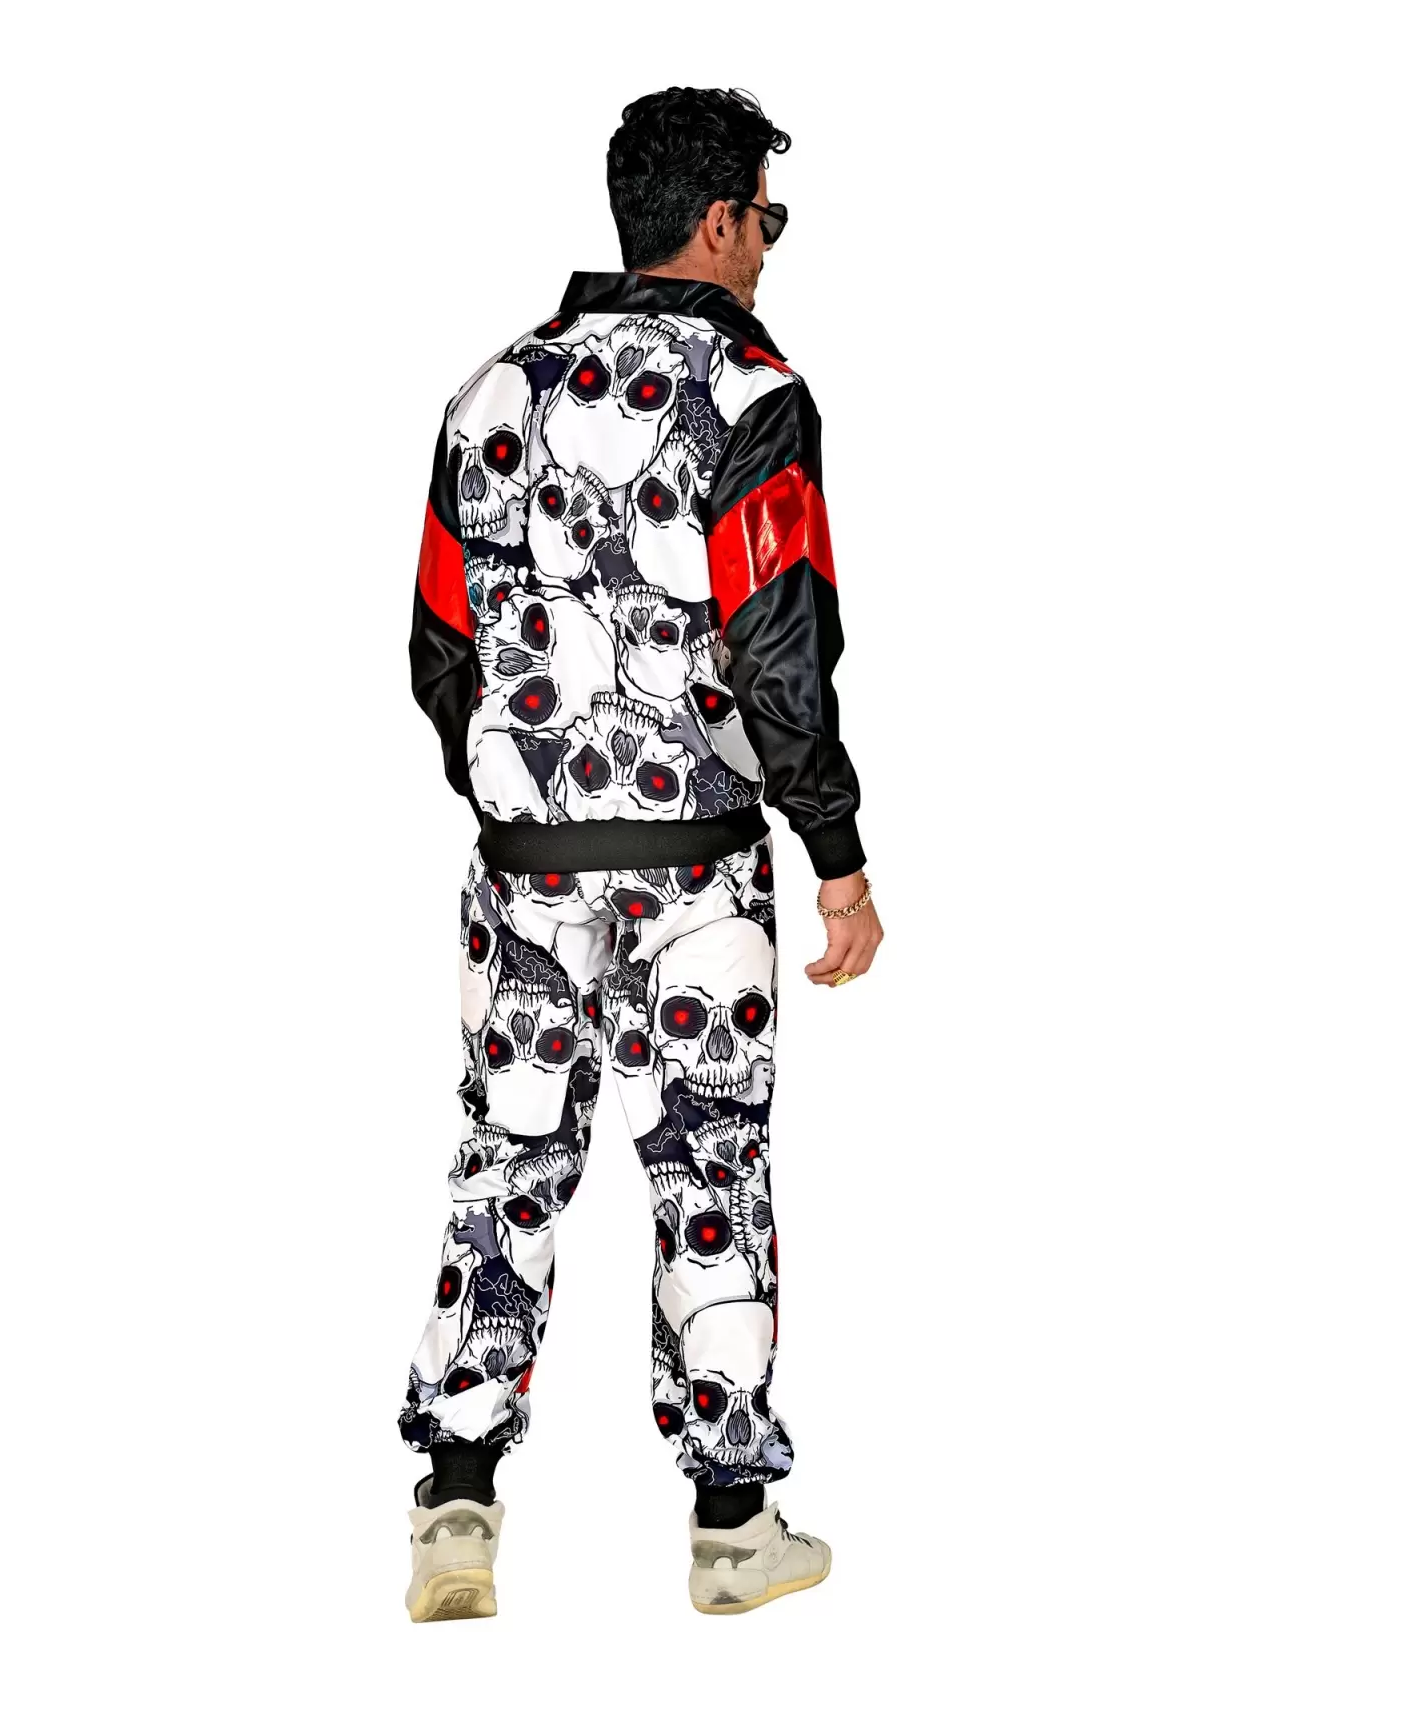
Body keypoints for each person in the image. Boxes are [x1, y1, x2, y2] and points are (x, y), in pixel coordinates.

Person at [400, 86, 883, 1620]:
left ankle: (455, 1508)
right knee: (711, 1160)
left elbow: (438, 644)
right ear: (720, 219)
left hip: (526, 862)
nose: (769, 252)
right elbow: (780, 645)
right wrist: (838, 852)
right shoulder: (752, 396)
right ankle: (734, 1525)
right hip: (699, 864)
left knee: (508, 1155)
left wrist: (519, 786)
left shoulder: (488, 394)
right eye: (768, 221)